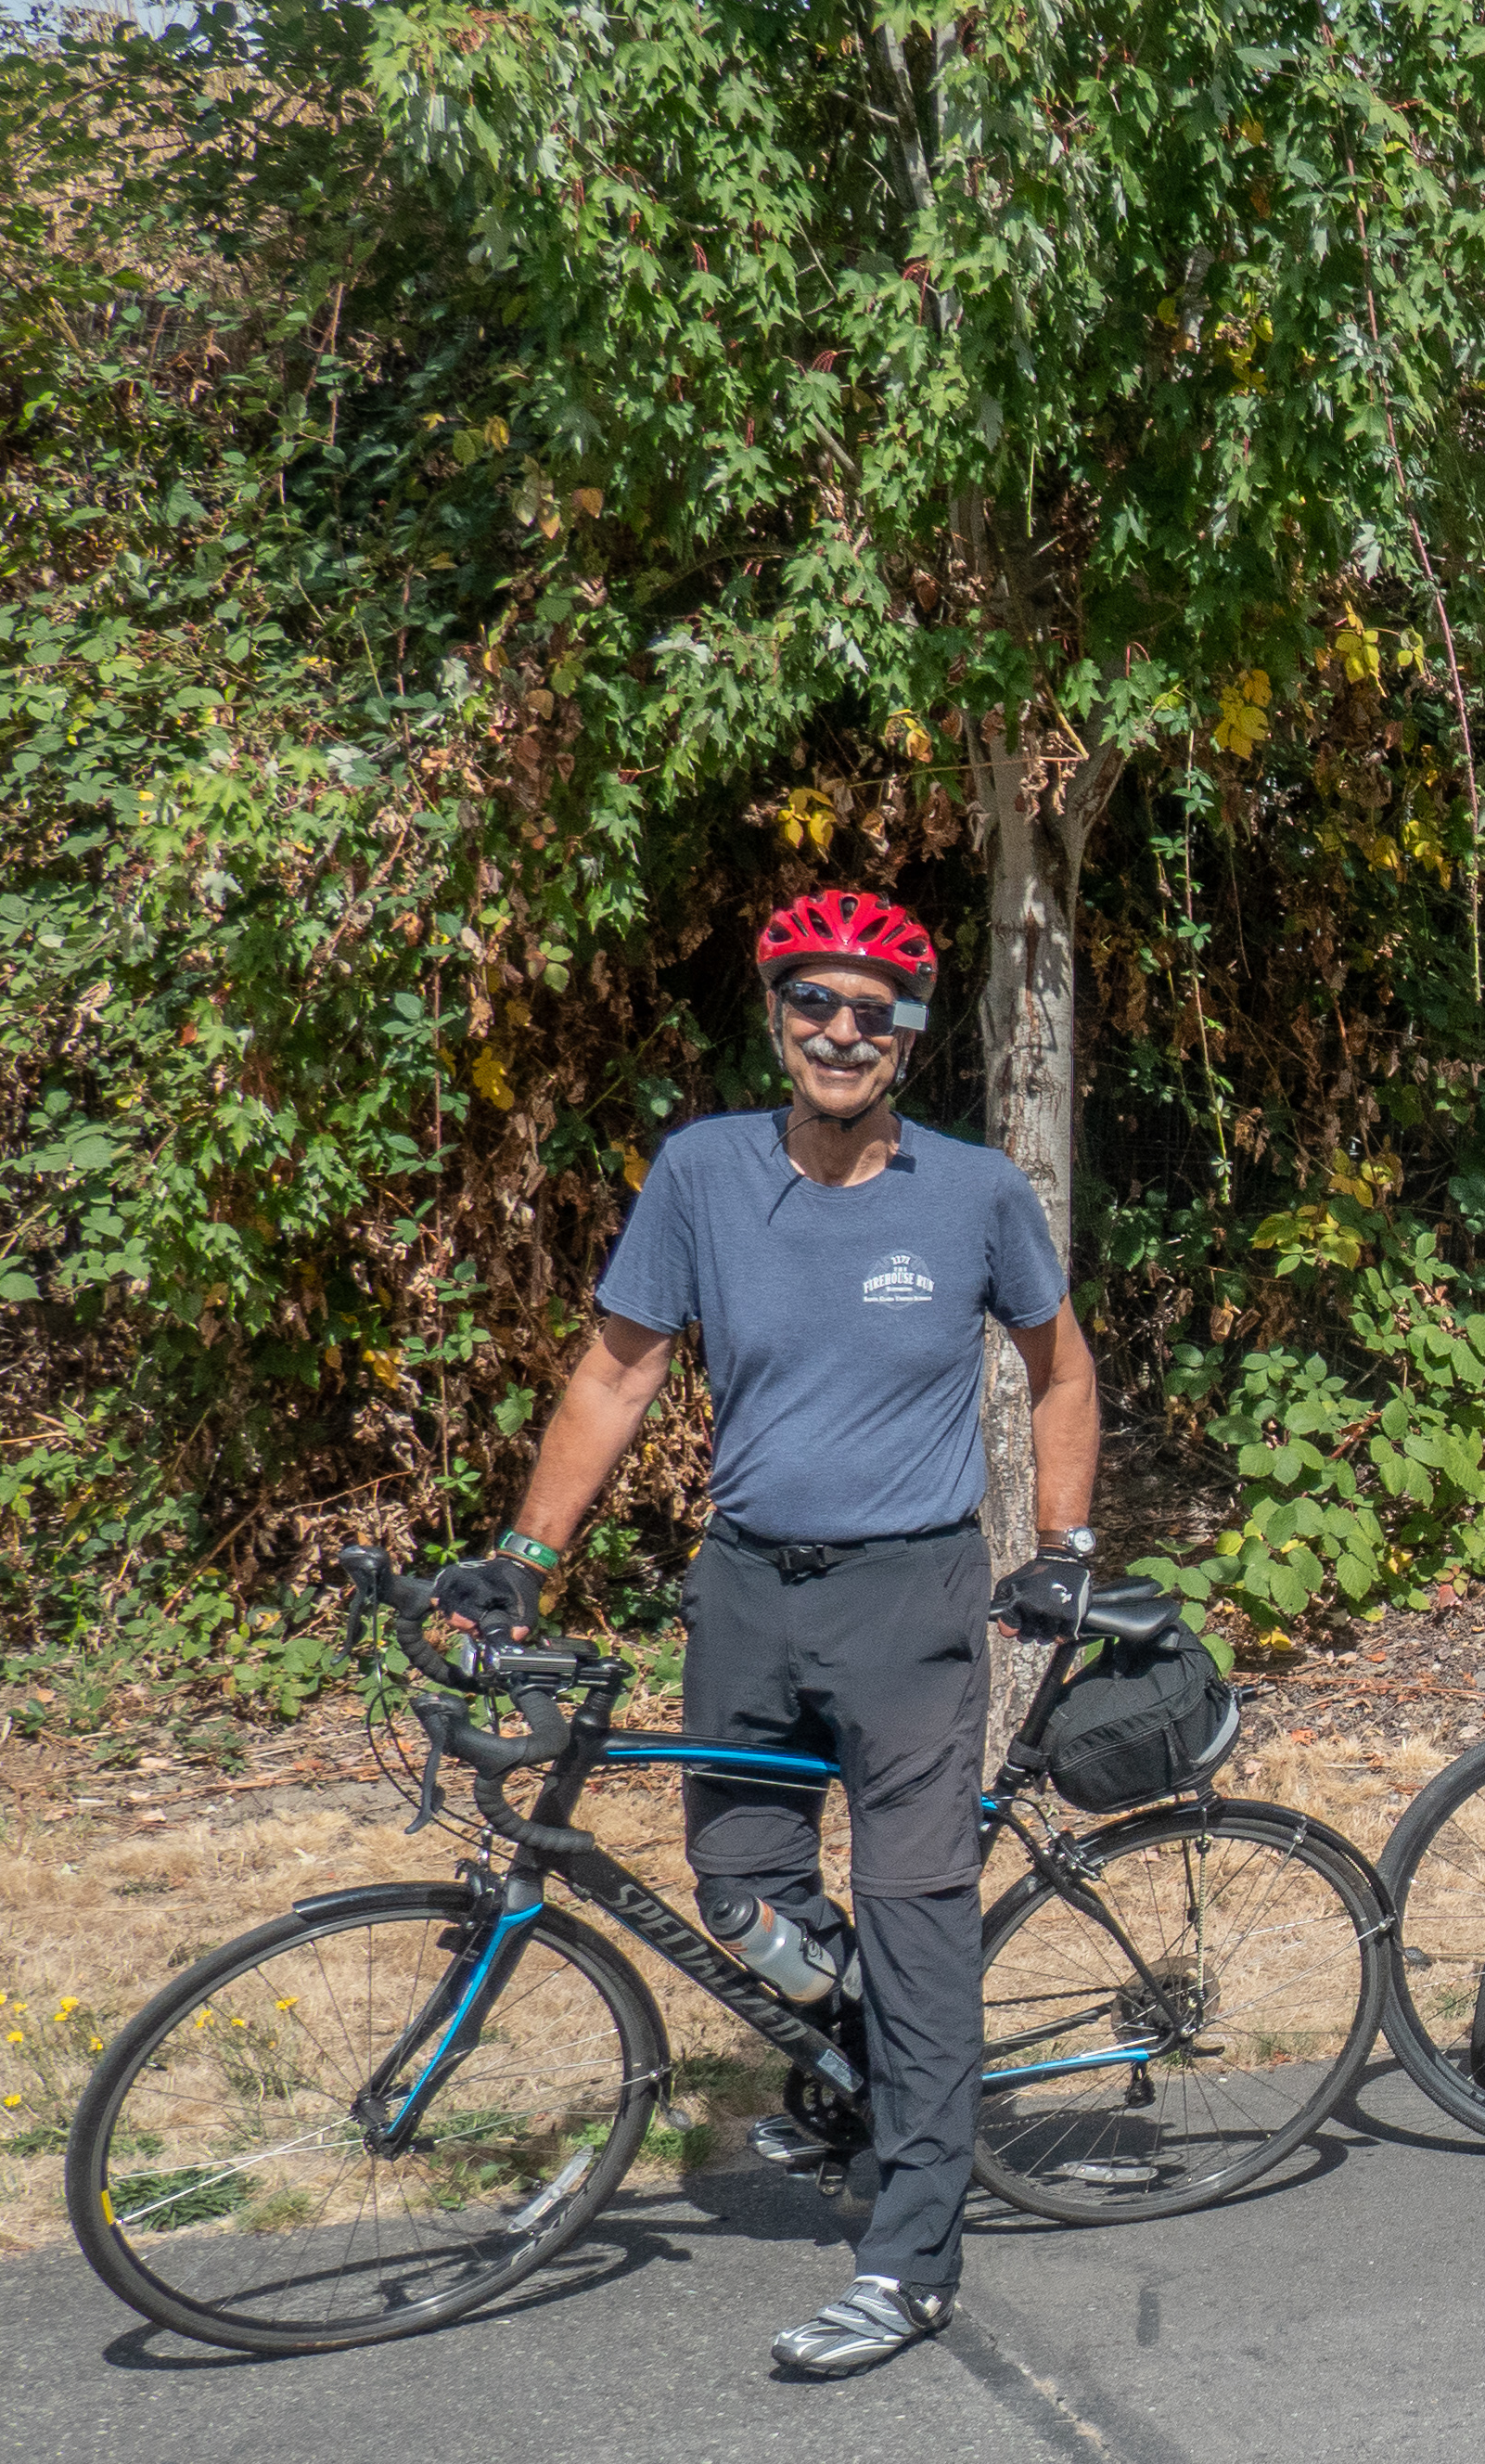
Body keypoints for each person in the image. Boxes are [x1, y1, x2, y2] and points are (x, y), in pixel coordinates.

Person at [431, 889, 1094, 2379]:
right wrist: (525, 1555)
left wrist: (1062, 1548)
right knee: (739, 1892)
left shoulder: (976, 1191)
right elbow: (616, 1373)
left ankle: (912, 2248)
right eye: (815, 1007)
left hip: (910, 1598)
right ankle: (876, 2060)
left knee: (917, 1913)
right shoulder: (704, 1172)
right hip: (742, 1587)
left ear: (911, 1036)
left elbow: (1059, 1373)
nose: (841, 1033)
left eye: (873, 1012)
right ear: (779, 1019)